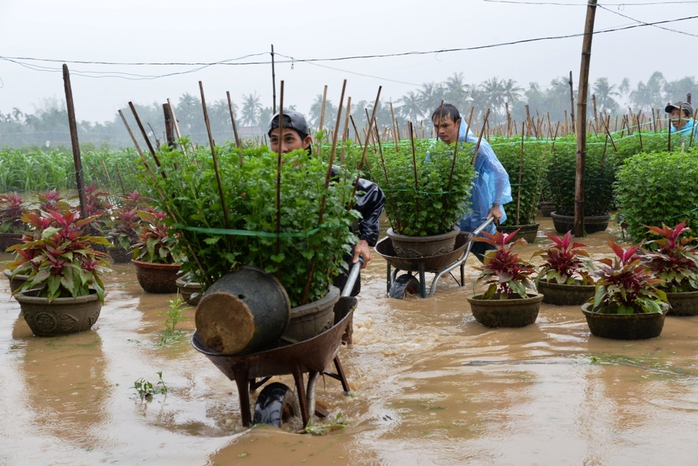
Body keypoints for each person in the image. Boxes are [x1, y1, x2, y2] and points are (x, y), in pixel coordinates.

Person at [268, 109, 385, 296]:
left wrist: (364, 240)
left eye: (289, 139)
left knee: (340, 314)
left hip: (336, 270)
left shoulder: (329, 175)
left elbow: (374, 194)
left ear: (306, 142)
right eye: (275, 140)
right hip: (293, 279)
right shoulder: (268, 182)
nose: (281, 148)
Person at [431, 103, 512, 262]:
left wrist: (496, 205)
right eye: (436, 126)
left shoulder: (476, 147)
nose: (440, 131)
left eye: (445, 125)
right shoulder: (435, 150)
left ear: (458, 123)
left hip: (478, 214)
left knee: (494, 263)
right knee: (445, 264)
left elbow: (500, 174)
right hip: (450, 217)